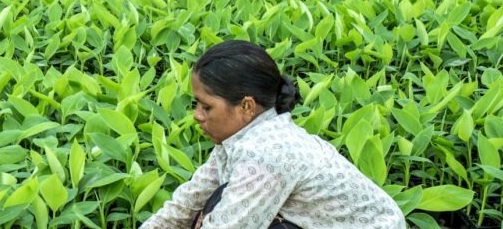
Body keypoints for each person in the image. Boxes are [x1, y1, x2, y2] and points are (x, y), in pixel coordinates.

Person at [140, 40, 406, 229]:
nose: (197, 115)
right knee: (212, 201)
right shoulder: (242, 138)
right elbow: (188, 201)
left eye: (206, 106)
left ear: (246, 106)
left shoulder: (268, 153)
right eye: (195, 104)